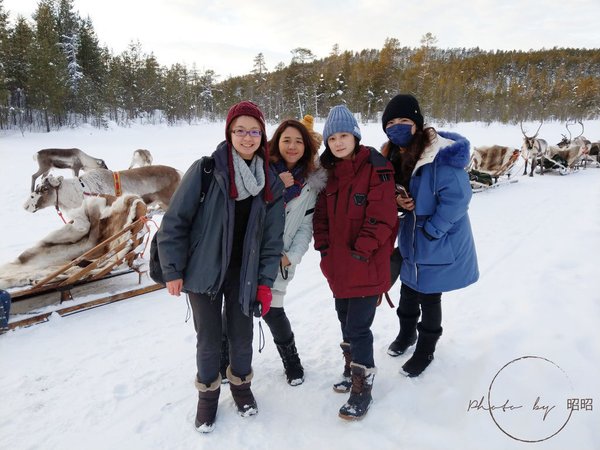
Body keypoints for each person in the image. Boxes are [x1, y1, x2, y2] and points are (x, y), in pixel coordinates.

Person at [157, 101, 285, 433]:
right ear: (229, 133)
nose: (247, 137)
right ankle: (208, 396)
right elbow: (174, 223)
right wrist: (172, 270)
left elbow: (272, 242)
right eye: (240, 130)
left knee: (241, 337)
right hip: (203, 271)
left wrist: (265, 282)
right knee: (209, 339)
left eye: (254, 131)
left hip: (243, 273)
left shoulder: (269, 181)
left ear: (262, 135)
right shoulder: (207, 171)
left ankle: (241, 388)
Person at [381, 94, 479, 377]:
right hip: (412, 234)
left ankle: (426, 348)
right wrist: (398, 202)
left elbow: (458, 199)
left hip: (438, 235)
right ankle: (407, 334)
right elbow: (395, 191)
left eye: (404, 120)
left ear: (417, 124)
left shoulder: (440, 155)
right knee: (408, 290)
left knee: (429, 295)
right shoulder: (393, 155)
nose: (397, 126)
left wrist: (434, 229)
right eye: (391, 122)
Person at [313, 105, 398, 420]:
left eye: (343, 135)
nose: (337, 142)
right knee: (343, 319)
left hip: (364, 264)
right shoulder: (329, 173)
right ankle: (351, 369)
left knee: (358, 327)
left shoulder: (376, 167)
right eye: (332, 137)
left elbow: (383, 217)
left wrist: (360, 251)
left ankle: (363, 387)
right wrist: (323, 247)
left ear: (356, 136)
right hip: (337, 267)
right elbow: (320, 215)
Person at [264, 118, 326, 386]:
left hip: (281, 259)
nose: (292, 146)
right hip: (250, 256)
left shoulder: (311, 183)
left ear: (307, 148)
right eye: (287, 139)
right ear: (277, 141)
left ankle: (291, 360)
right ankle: (224, 359)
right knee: (234, 312)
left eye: (299, 141)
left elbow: (305, 226)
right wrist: (277, 184)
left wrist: (293, 256)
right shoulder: (261, 171)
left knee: (274, 311)